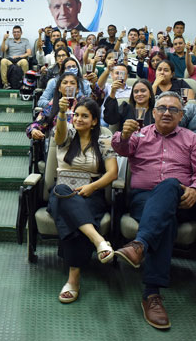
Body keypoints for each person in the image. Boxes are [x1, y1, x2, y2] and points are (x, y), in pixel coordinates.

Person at [111, 91, 196, 330]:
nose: (167, 112)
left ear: (181, 115)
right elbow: (122, 149)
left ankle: (139, 246)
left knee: (169, 184)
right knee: (165, 222)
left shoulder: (193, 140)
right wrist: (123, 134)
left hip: (181, 200)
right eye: (162, 108)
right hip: (144, 200)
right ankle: (151, 293)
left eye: (173, 109)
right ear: (153, 112)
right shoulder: (140, 134)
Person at [49, 97, 118, 303]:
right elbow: (59, 135)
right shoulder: (66, 133)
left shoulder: (104, 140)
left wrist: (92, 187)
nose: (78, 119)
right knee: (63, 193)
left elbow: (112, 173)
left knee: (75, 220)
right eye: (76, 115)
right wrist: (62, 114)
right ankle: (99, 241)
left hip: (90, 191)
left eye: (84, 116)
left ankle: (73, 281)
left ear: (95, 121)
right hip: (61, 190)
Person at [27, 72, 79, 142]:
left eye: (72, 83)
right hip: (57, 145)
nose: (68, 86)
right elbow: (37, 123)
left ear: (77, 89)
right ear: (59, 88)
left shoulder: (82, 104)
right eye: (65, 83)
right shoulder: (53, 105)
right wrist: (34, 130)